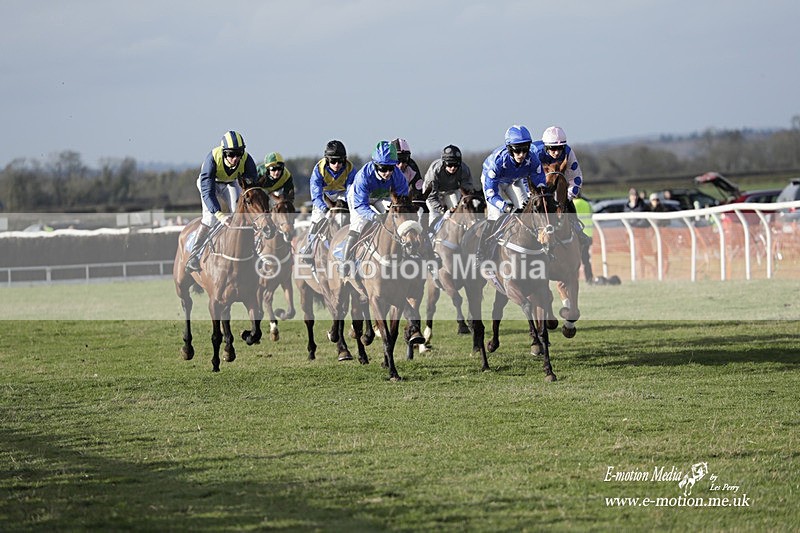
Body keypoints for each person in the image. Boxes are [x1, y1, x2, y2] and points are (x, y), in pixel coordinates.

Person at [186, 130, 258, 272]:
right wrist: (220, 215)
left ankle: (252, 251)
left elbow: (252, 185)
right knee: (210, 219)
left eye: (239, 153)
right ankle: (194, 256)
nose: (235, 158)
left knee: (239, 215)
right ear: (224, 153)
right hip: (210, 185)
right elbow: (208, 193)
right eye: (231, 154)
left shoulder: (247, 159)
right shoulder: (212, 160)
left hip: (230, 183)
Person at [477, 125, 546, 260]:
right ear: (509, 149)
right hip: (494, 183)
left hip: (514, 181)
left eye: (525, 149)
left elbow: (540, 187)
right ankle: (481, 253)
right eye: (517, 150)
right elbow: (491, 195)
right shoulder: (498, 161)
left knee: (527, 210)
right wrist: (506, 207)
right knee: (496, 215)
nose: (522, 154)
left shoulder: (533, 159)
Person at [341, 140, 410, 276]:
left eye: (391, 168)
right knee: (358, 225)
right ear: (375, 165)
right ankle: (345, 263)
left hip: (380, 197)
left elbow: (402, 201)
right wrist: (374, 216)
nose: (388, 172)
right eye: (383, 168)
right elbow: (361, 206)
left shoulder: (398, 176)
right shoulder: (363, 177)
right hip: (359, 199)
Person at [298, 140, 357, 263]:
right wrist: (324, 209)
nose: (337, 164)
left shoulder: (350, 168)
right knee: (317, 218)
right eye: (333, 161)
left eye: (340, 161)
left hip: (342, 194)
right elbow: (316, 195)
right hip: (325, 196)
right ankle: (308, 249)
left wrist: (347, 204)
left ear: (345, 160)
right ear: (327, 160)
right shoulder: (318, 169)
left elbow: (351, 190)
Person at [533, 126, 591, 245]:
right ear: (546, 147)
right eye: (553, 148)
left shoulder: (568, 153)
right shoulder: (535, 152)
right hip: (535, 182)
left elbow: (576, 178)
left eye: (560, 148)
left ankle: (577, 229)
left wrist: (566, 198)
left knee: (567, 204)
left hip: (556, 182)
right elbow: (525, 177)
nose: (557, 152)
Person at [423, 144, 476, 227]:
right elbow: (431, 197)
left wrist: (458, 206)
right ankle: (431, 232)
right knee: (434, 215)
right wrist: (442, 210)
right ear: (444, 163)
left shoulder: (464, 169)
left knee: (457, 213)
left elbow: (467, 192)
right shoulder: (434, 171)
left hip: (452, 190)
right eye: (450, 165)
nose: (453, 168)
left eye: (456, 165)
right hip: (433, 194)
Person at [572, 194, 595, 282]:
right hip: (588, 234)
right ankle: (589, 278)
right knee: (586, 259)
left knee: (574, 259)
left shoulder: (572, 204)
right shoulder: (586, 203)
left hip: (577, 235)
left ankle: (574, 279)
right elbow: (591, 213)